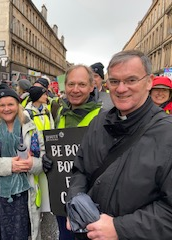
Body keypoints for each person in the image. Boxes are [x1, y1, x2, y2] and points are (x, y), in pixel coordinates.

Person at [66, 50, 172, 240]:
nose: (121, 89)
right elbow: (80, 170)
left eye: (131, 80)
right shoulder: (98, 123)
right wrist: (75, 200)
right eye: (114, 81)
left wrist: (120, 228)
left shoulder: (167, 135)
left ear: (149, 81)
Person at [0, 87, 44, 239]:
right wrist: (9, 165)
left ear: (18, 105)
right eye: (2, 105)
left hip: (24, 196)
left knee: (23, 234)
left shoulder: (30, 126)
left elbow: (42, 158)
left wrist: (32, 164)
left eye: (10, 104)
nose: (6, 109)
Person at [54, 64, 102, 240]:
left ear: (92, 87)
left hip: (89, 200)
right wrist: (49, 160)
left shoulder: (102, 116)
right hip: (62, 197)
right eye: (71, 84)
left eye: (81, 85)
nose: (75, 90)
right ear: (64, 86)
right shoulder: (61, 112)